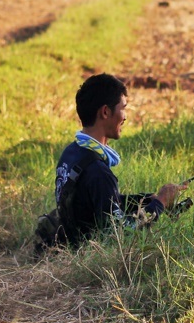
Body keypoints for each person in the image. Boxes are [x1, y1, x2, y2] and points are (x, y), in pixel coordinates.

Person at [35, 73, 186, 251]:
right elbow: (122, 232)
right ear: (105, 112)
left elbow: (97, 202)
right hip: (85, 259)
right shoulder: (99, 172)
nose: (125, 117)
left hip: (68, 244)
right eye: (123, 108)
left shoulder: (71, 153)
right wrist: (160, 202)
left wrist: (145, 200)